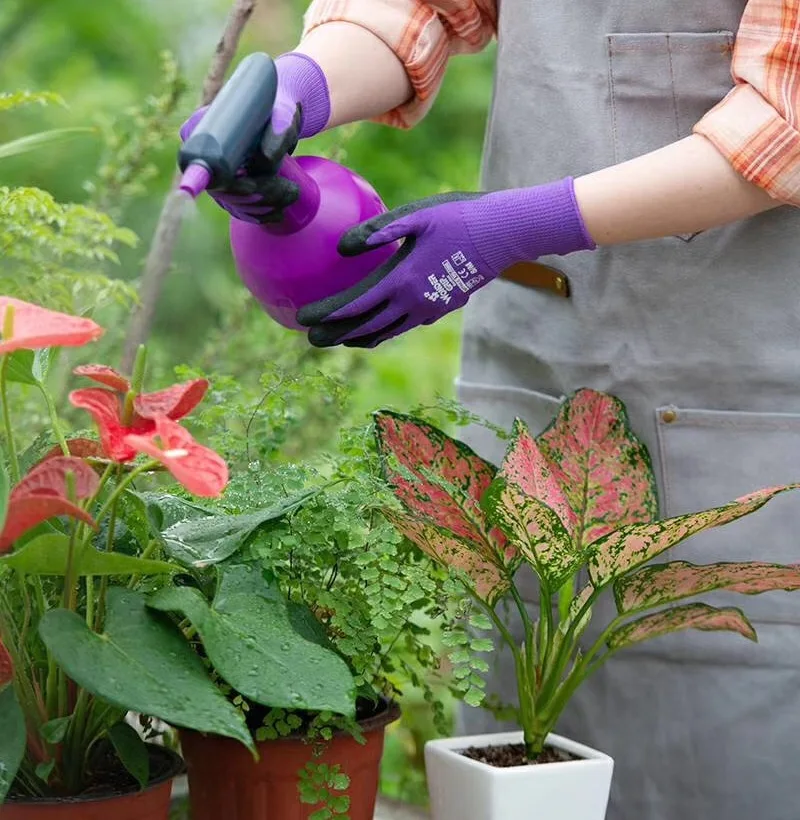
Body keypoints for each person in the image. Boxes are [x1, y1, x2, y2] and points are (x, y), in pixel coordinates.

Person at [182, 3, 800, 818]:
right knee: (515, 733)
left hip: (737, 384)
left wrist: (516, 225)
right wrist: (302, 86)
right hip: (536, 354)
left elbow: (784, 122)